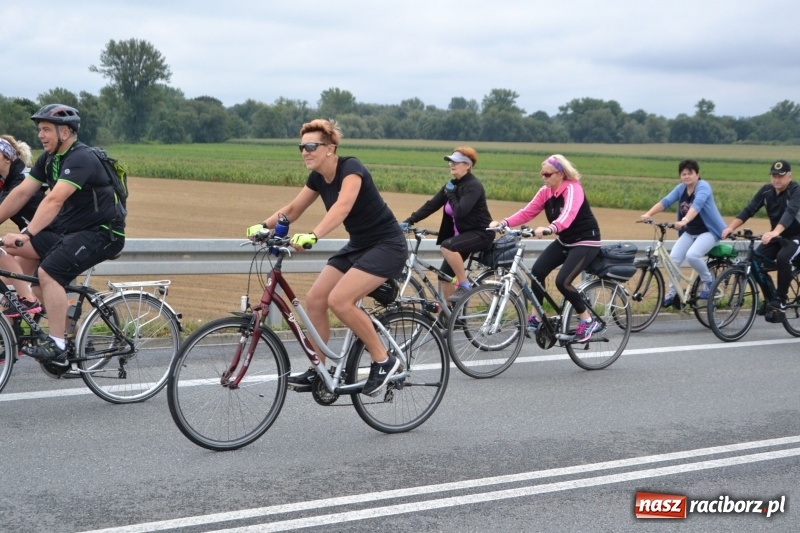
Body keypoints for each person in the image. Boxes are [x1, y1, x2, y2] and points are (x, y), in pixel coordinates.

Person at [246, 119, 407, 396]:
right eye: (301, 147)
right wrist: (263, 225)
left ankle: (383, 360)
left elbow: (342, 207)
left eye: (311, 146)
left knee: (340, 301)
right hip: (359, 245)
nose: (304, 152)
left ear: (330, 149)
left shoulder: (351, 168)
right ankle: (319, 369)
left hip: (387, 245)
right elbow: (293, 209)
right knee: (316, 299)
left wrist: (314, 234)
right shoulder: (318, 178)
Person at [0, 104, 125, 360]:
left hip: (101, 233)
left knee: (49, 273)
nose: (40, 135)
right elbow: (22, 193)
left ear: (65, 132)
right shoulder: (49, 160)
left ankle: (57, 344)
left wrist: (27, 234)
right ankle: (66, 332)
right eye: (39, 129)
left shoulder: (81, 158)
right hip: (71, 232)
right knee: (23, 269)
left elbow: (54, 200)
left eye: (46, 129)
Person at [489, 154, 603, 342]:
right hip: (565, 240)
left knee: (563, 281)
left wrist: (551, 228)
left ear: (560, 173)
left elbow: (568, 214)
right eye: (542, 174)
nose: (544, 177)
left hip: (586, 241)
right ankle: (537, 316)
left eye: (547, 174)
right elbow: (527, 212)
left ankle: (588, 320)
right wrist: (503, 223)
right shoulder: (546, 191)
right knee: (537, 271)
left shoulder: (573, 188)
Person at [400, 147, 494, 302]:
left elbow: (460, 211)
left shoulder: (473, 186)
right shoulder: (451, 185)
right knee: (444, 277)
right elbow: (431, 205)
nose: (452, 164)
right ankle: (452, 313)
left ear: (467, 165)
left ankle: (464, 285)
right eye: (451, 161)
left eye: (456, 162)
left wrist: (450, 194)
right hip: (464, 235)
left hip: (481, 233)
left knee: (447, 246)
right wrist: (409, 221)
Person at [640, 159, 726, 307]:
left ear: (697, 174)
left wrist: (684, 220)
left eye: (690, 173)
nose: (686, 177)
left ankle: (708, 281)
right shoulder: (681, 189)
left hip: (709, 231)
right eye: (683, 174)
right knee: (673, 260)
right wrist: (648, 214)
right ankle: (673, 294)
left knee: (692, 255)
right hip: (690, 231)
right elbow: (666, 201)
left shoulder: (703, 187)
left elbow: (697, 205)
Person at [721, 159, 800, 312]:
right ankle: (770, 299)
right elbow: (749, 209)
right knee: (755, 261)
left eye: (780, 176)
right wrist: (730, 227)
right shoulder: (766, 191)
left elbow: (790, 212)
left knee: (783, 258)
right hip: (778, 236)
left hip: (796, 236)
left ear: (789, 176)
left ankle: (781, 300)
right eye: (774, 176)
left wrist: (775, 232)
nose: (776, 179)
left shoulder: (795, 190)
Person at [0, 135, 46, 316]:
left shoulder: (21, 181)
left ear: (8, 158)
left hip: (48, 236)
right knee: (8, 289)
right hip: (34, 239)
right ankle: (16, 338)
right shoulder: (7, 181)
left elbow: (3, 210)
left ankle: (28, 299)